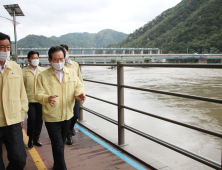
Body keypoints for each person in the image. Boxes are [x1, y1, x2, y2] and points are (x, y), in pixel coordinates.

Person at [35, 46, 85, 170]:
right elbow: (37, 94)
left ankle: (57, 165)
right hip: (52, 116)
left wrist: (80, 93)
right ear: (49, 60)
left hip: (67, 114)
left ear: (65, 58)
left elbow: (79, 86)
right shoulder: (42, 76)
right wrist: (46, 98)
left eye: (61, 59)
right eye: (55, 60)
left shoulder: (71, 73)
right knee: (57, 145)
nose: (59, 62)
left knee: (60, 144)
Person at [0, 32, 28, 169]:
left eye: (7, 47)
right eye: (1, 47)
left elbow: (22, 93)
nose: (5, 51)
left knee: (19, 159)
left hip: (14, 120)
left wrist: (22, 115)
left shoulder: (15, 68)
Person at [60, 44, 84, 145]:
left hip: (74, 94)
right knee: (67, 116)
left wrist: (82, 92)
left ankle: (70, 128)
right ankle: (69, 135)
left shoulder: (75, 65)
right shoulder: (59, 64)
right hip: (63, 95)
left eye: (65, 51)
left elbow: (79, 79)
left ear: (68, 51)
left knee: (76, 115)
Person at [22, 51, 45, 148]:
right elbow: (21, 87)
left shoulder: (43, 71)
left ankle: (36, 138)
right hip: (29, 100)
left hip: (40, 100)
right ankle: (30, 138)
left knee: (40, 120)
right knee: (32, 119)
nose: (35, 60)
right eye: (33, 58)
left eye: (36, 58)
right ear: (28, 60)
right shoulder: (23, 72)